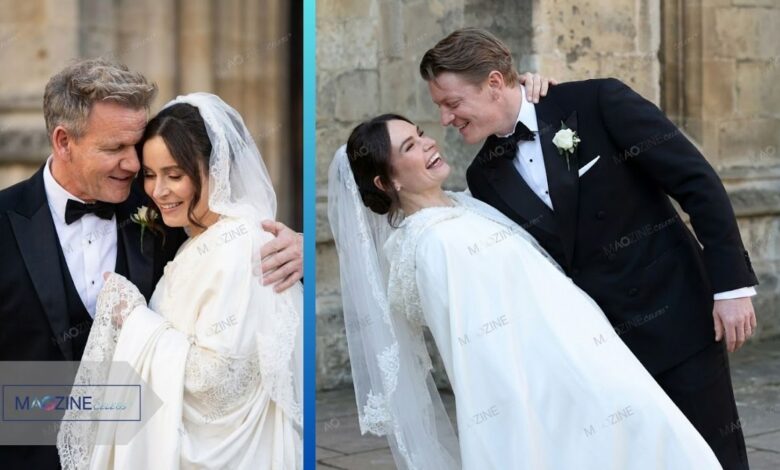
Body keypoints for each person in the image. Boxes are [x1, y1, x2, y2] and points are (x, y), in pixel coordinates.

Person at [418, 28, 757, 470]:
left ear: (496, 83)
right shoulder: (484, 178)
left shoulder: (596, 102)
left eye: (451, 103)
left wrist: (730, 287)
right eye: (440, 107)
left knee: (714, 457)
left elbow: (696, 182)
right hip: (598, 354)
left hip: (678, 320)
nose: (445, 118)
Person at [328, 114, 723, 469]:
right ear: (387, 181)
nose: (428, 142)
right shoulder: (435, 243)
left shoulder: (465, 207)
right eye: (409, 147)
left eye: (420, 134)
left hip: (591, 365)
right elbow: (480, 352)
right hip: (559, 389)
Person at [0, 58, 302, 469]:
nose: (132, 165)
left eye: (135, 147)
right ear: (63, 141)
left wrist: (296, 247)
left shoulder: (165, 203)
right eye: (115, 148)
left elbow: (229, 237)